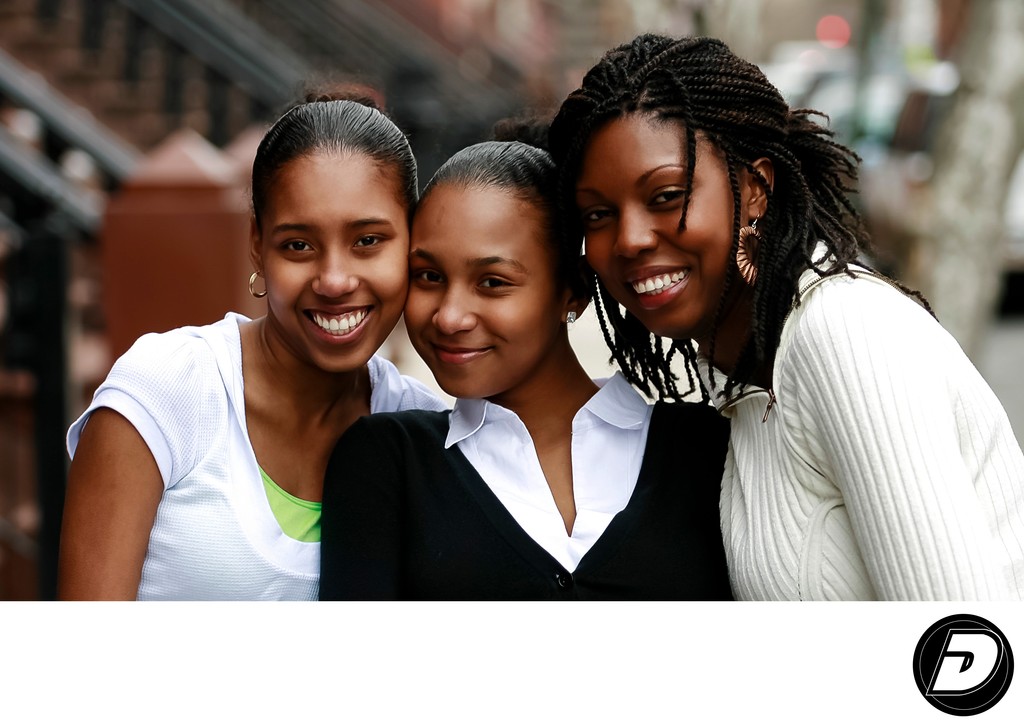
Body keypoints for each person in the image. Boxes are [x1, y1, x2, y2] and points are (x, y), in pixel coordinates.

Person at [547, 33, 1024, 601]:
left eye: (667, 195)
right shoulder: (742, 374)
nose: (628, 240)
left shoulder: (844, 333)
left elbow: (964, 648)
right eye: (598, 214)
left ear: (755, 189)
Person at [59, 93, 446, 600]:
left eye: (368, 241)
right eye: (298, 245)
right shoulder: (166, 395)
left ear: (412, 244)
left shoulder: (427, 433)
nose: (333, 280)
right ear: (256, 245)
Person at [319, 128, 732, 600]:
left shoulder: (706, 446)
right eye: (429, 276)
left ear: (572, 290)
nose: (449, 317)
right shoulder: (387, 461)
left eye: (493, 282)